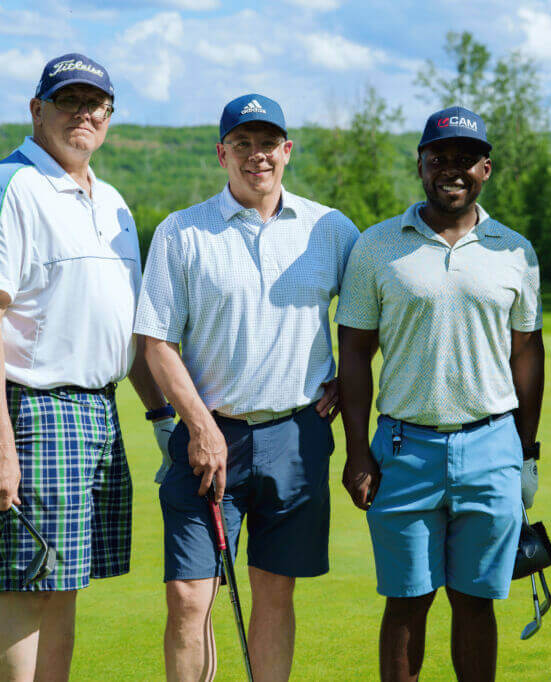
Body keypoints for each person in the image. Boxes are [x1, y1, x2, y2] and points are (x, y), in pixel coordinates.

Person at [0, 53, 172, 680]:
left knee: (67, 583)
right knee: (31, 580)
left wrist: (158, 412)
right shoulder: (7, 184)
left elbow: (123, 325)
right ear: (37, 110)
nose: (84, 114)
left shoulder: (114, 203)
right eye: (69, 101)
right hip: (34, 409)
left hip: (99, 411)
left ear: (108, 118)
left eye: (95, 105)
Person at [133, 93, 359, 682]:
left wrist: (346, 376)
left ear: (287, 150)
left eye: (267, 144)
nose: (256, 155)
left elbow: (369, 313)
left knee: (274, 591)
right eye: (242, 144)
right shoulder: (182, 232)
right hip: (208, 437)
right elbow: (156, 340)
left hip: (296, 435)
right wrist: (201, 427)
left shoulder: (329, 228)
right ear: (221, 153)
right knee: (189, 596)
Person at [336, 106, 544, 681]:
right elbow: (353, 352)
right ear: (420, 164)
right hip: (403, 448)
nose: (451, 169)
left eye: (465, 159)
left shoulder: (514, 250)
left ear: (486, 168)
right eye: (439, 158)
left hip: (492, 445)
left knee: (476, 602)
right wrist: (357, 451)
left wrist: (526, 453)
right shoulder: (376, 246)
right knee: (407, 601)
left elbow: (526, 352)